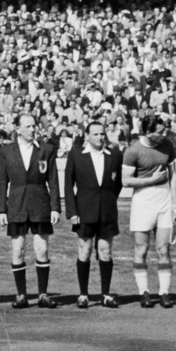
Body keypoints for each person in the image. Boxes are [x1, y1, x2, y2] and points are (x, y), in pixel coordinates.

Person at [0, 112, 60, 309]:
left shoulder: (46, 150)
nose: (33, 130)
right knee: (18, 249)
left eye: (34, 126)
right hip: (16, 204)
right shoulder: (7, 150)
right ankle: (21, 294)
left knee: (42, 249)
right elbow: (2, 182)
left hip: (40, 204)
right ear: (18, 128)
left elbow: (53, 181)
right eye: (28, 126)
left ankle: (43, 294)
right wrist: (1, 209)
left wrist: (55, 207)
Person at [122, 113, 176, 309]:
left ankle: (164, 293)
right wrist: (151, 180)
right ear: (147, 132)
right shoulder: (133, 151)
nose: (164, 134)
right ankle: (144, 292)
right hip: (143, 200)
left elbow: (173, 176)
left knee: (163, 248)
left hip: (164, 199)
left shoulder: (168, 146)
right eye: (160, 132)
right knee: (142, 248)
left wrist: (175, 203)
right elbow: (126, 181)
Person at [65, 119, 123, 309]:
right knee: (85, 250)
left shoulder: (114, 155)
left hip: (107, 211)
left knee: (105, 251)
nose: (100, 137)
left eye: (102, 133)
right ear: (87, 136)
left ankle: (105, 294)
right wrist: (72, 211)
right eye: (96, 134)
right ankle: (83, 295)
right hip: (84, 211)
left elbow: (118, 183)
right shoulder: (76, 155)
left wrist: (109, 200)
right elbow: (68, 184)